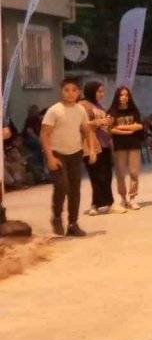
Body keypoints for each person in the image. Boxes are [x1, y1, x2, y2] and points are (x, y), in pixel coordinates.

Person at [40, 78, 93, 237]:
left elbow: (86, 130)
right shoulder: (54, 110)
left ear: (79, 92)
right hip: (57, 154)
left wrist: (92, 150)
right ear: (61, 91)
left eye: (74, 90)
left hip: (75, 154)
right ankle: (56, 217)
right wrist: (50, 157)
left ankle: (73, 224)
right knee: (62, 186)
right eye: (66, 90)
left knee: (74, 190)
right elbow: (44, 134)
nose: (70, 93)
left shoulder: (80, 110)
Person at [80, 81, 114, 216]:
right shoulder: (82, 105)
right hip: (91, 145)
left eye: (102, 91)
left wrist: (109, 121)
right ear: (91, 91)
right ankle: (95, 204)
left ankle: (107, 202)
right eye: (99, 91)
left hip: (104, 144)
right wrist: (99, 122)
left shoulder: (99, 106)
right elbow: (82, 124)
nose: (101, 94)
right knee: (96, 175)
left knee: (107, 175)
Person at [109, 86, 144, 212]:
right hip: (119, 146)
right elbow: (111, 129)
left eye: (126, 95)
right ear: (117, 97)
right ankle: (123, 198)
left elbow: (139, 126)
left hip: (134, 144)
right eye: (121, 95)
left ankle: (132, 197)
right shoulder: (113, 111)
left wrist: (121, 128)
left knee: (134, 172)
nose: (124, 97)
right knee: (120, 173)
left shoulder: (134, 110)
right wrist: (129, 129)